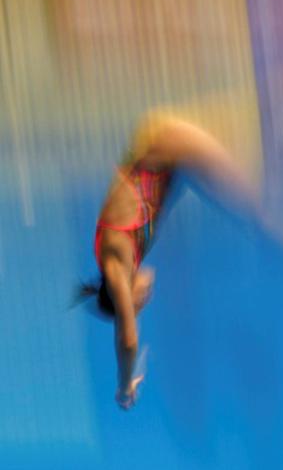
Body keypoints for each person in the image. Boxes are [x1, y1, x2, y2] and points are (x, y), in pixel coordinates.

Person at [75, 111, 266, 410]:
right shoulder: (125, 251)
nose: (144, 299)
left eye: (137, 305)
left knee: (260, 215)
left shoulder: (114, 262)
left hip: (171, 143)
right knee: (251, 214)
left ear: (122, 296)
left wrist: (125, 387)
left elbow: (126, 339)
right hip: (171, 150)